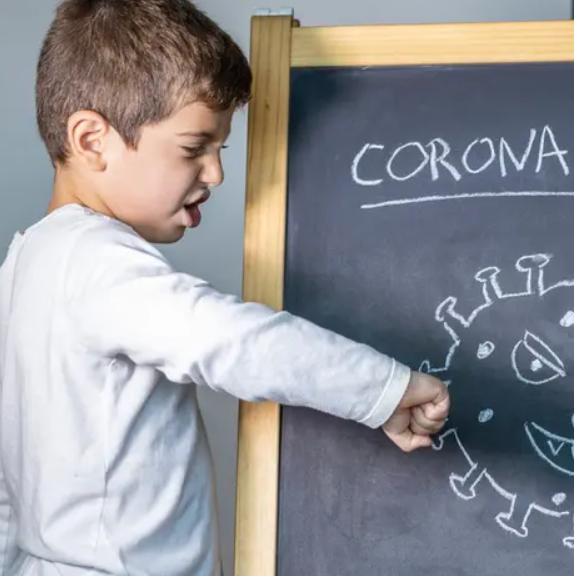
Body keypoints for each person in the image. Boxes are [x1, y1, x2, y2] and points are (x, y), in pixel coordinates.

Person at [0, 0, 450, 574]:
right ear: (92, 140)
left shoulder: (26, 264)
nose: (215, 173)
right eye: (194, 148)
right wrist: (385, 389)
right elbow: (234, 342)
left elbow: (9, 479)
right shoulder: (96, 263)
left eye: (220, 150)